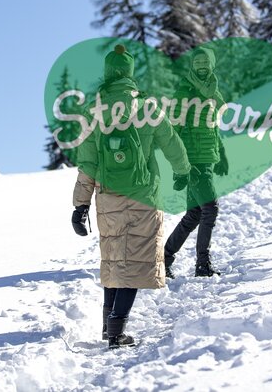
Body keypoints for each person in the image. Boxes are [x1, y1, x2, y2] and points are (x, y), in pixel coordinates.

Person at [70, 44, 192, 349]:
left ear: (108, 74)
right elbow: (172, 142)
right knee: (135, 262)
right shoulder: (147, 107)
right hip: (143, 195)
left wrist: (80, 205)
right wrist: (182, 171)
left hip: (107, 196)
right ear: (129, 73)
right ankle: (116, 332)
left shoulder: (94, 111)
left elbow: (87, 163)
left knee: (113, 258)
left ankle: (106, 324)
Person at [164, 47, 229, 278]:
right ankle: (202, 264)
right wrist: (179, 169)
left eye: (205, 61)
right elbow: (174, 132)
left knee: (194, 214)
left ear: (211, 65)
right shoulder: (184, 92)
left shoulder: (214, 93)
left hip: (207, 158)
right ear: (192, 66)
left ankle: (164, 259)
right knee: (210, 209)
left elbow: (213, 126)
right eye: (197, 61)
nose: (201, 65)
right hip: (193, 161)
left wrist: (222, 154)